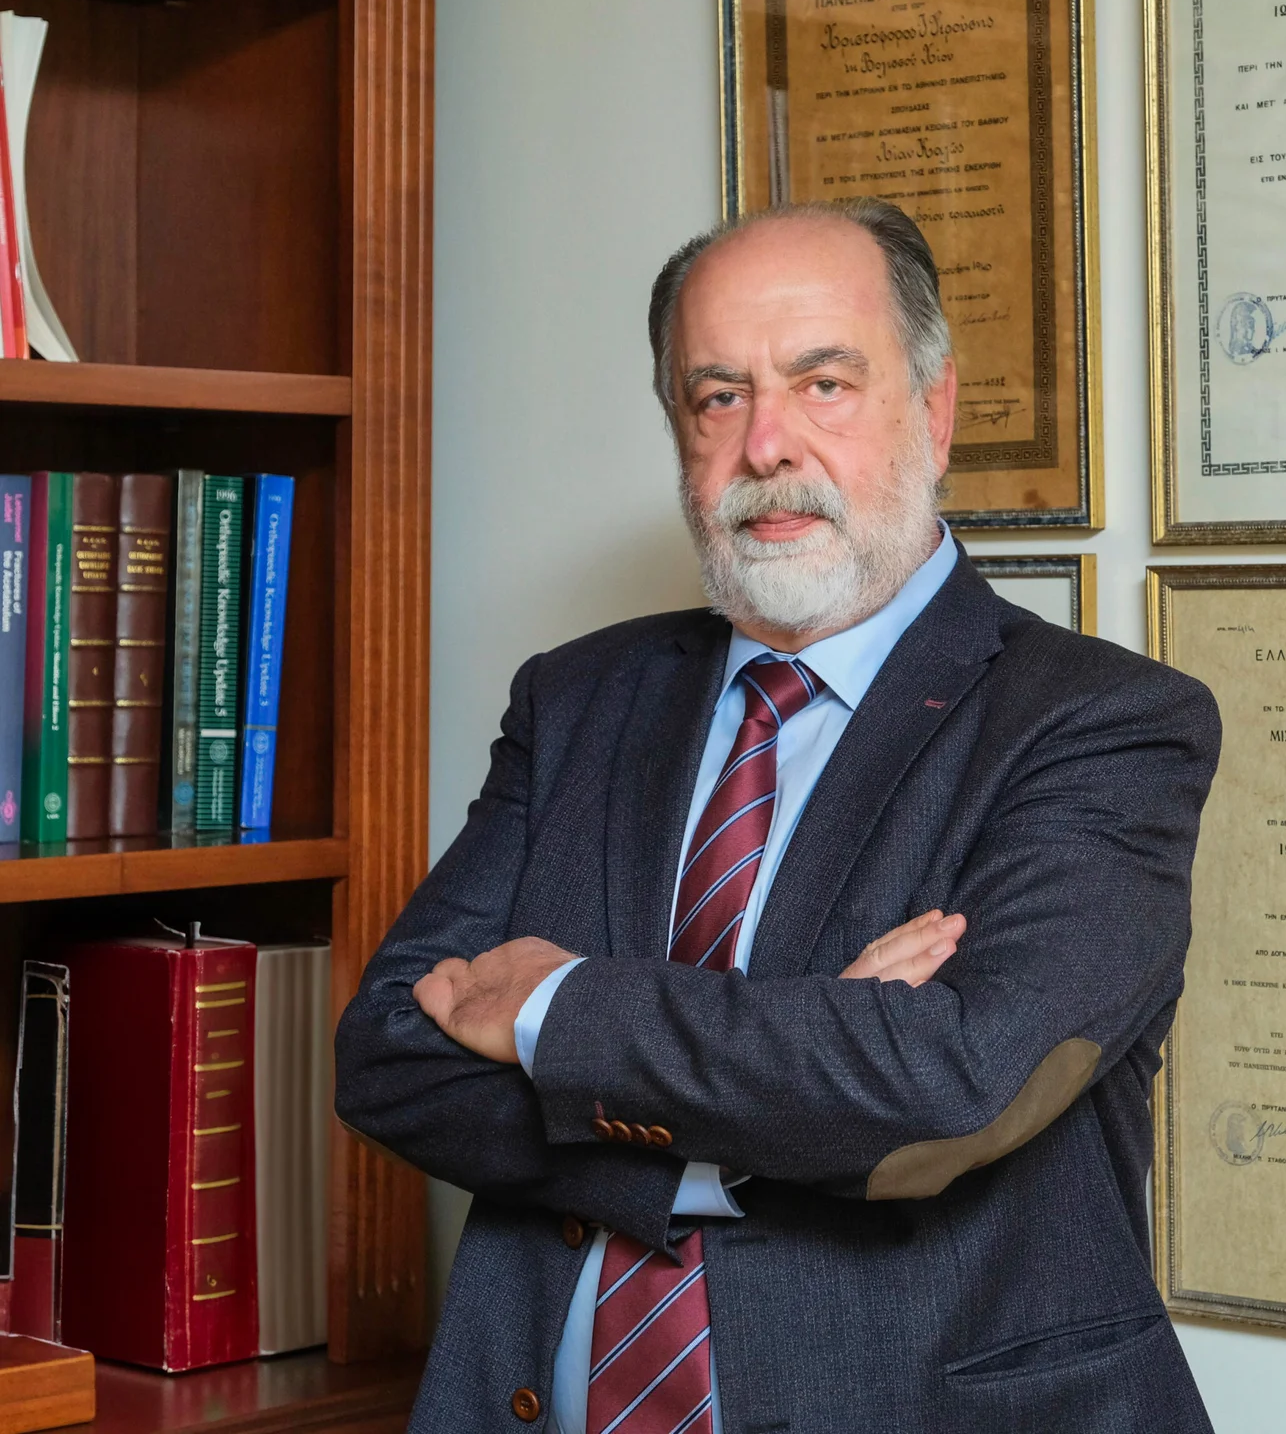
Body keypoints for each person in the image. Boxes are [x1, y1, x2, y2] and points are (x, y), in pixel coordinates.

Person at [335, 198, 1221, 1433]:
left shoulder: (1102, 722)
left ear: (935, 410)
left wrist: (553, 1008)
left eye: (823, 384)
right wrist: (783, 1108)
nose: (766, 445)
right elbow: (387, 1053)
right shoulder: (577, 698)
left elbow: (948, 1084)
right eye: (719, 396)